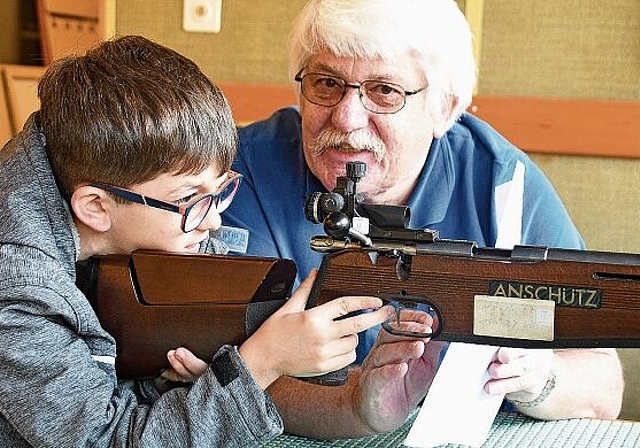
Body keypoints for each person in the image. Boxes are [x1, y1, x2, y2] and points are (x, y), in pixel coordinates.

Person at [222, 0, 624, 438]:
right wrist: (352, 406)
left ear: (446, 109)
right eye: (326, 83)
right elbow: (217, 373)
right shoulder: (245, 173)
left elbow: (602, 383)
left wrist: (536, 378)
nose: (346, 117)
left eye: (385, 91)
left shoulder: (500, 183)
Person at [0, 35, 393, 447]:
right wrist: (261, 363)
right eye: (189, 199)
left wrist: (173, 382)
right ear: (96, 207)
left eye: (219, 190)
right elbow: (107, 440)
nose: (214, 220)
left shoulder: (69, 157)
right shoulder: (19, 293)